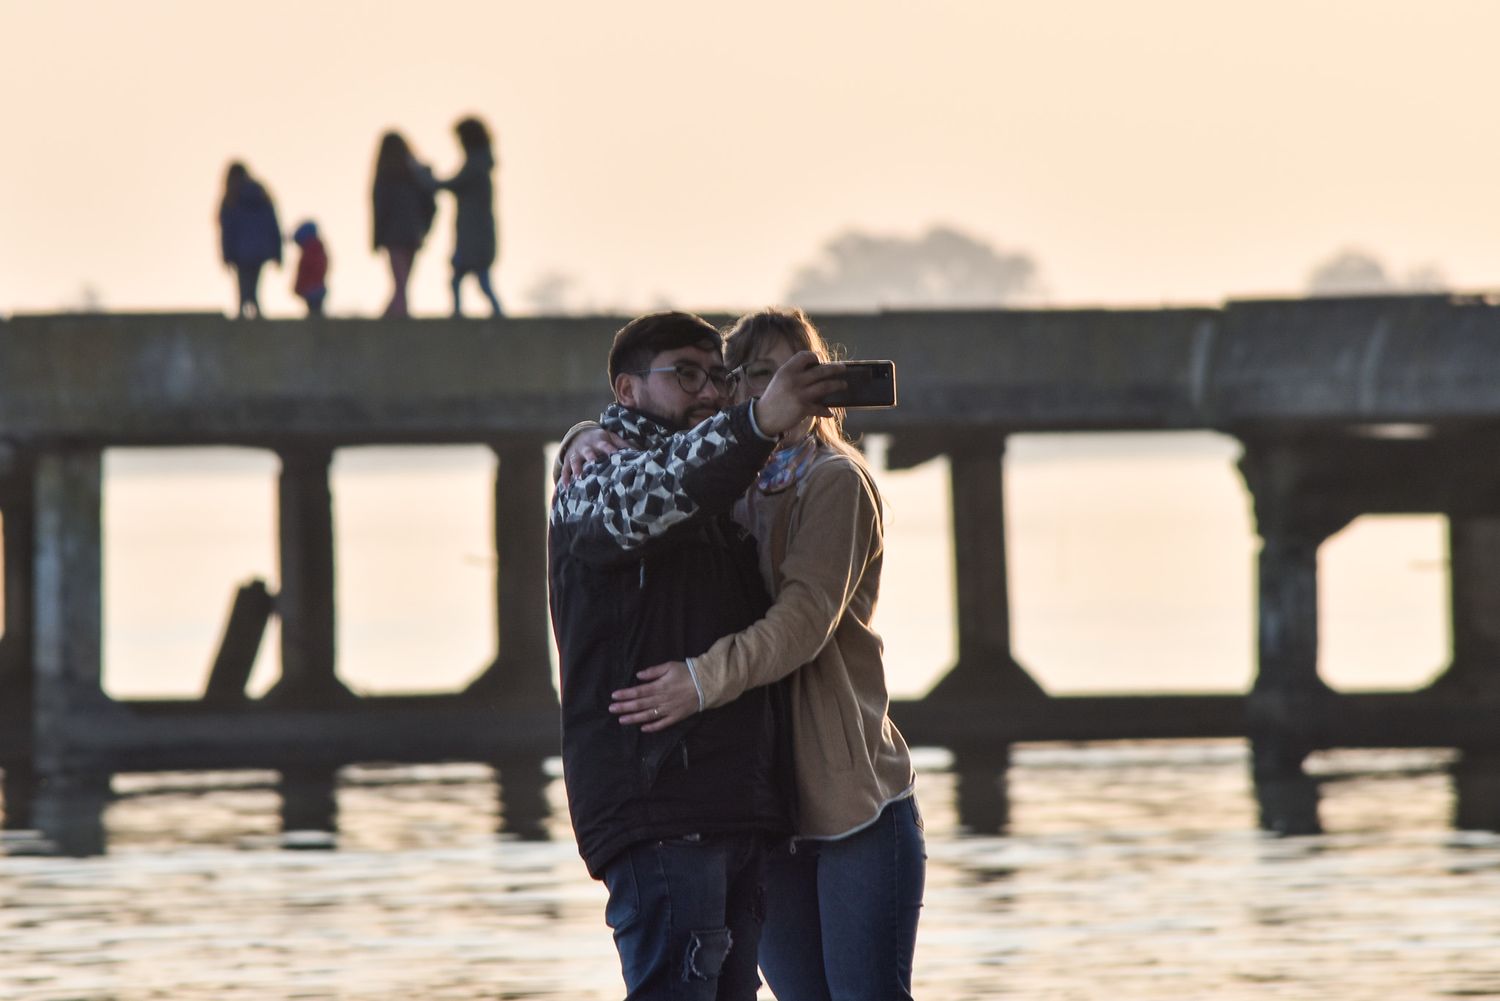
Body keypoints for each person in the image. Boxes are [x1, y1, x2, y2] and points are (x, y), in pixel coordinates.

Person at [571, 308, 926, 1001]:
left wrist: (699, 682)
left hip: (854, 804)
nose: (775, 388)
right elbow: (647, 474)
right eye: (754, 375)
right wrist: (582, 435)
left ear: (819, 383)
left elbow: (801, 622)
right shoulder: (727, 489)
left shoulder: (836, 482)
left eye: (793, 371)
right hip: (767, 811)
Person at [437, 115, 503, 317]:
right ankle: (488, 313)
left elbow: (451, 184)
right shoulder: (481, 164)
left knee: (474, 280)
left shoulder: (475, 166)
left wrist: (423, 177)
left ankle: (466, 314)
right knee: (471, 280)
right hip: (475, 236)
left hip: (474, 238)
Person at [371, 130, 435, 318]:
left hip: (394, 236)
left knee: (401, 282)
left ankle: (398, 316)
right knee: (403, 281)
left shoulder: (386, 176)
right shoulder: (417, 174)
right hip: (413, 234)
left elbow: (379, 208)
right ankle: (394, 314)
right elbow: (430, 205)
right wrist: (424, 229)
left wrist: (377, 238)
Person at [217, 161, 282, 319]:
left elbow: (228, 230)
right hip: (260, 250)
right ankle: (253, 311)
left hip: (241, 252)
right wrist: (277, 252)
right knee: (252, 283)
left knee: (245, 283)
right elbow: (272, 225)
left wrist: (226, 254)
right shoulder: (261, 194)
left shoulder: (231, 198)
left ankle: (245, 311)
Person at [290, 220, 329, 317]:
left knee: (315, 311)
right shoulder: (315, 249)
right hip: (314, 287)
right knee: (315, 311)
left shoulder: (312, 251)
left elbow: (310, 270)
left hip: (313, 288)